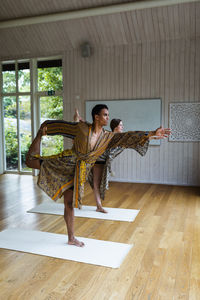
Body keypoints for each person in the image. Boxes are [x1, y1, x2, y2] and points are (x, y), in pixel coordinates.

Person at [26, 104, 171, 247]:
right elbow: (60, 127)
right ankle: (38, 138)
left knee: (69, 204)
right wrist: (43, 130)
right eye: (105, 115)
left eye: (108, 115)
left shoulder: (107, 137)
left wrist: (151, 133)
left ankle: (71, 238)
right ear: (96, 117)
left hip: (78, 172)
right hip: (66, 162)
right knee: (30, 161)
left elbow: (127, 137)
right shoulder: (81, 128)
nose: (108, 117)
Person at [74, 109, 124, 213]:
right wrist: (80, 121)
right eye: (121, 125)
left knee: (98, 185)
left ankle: (98, 205)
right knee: (97, 185)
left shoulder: (115, 137)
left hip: (99, 161)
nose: (122, 127)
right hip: (97, 161)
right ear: (115, 127)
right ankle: (99, 206)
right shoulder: (108, 135)